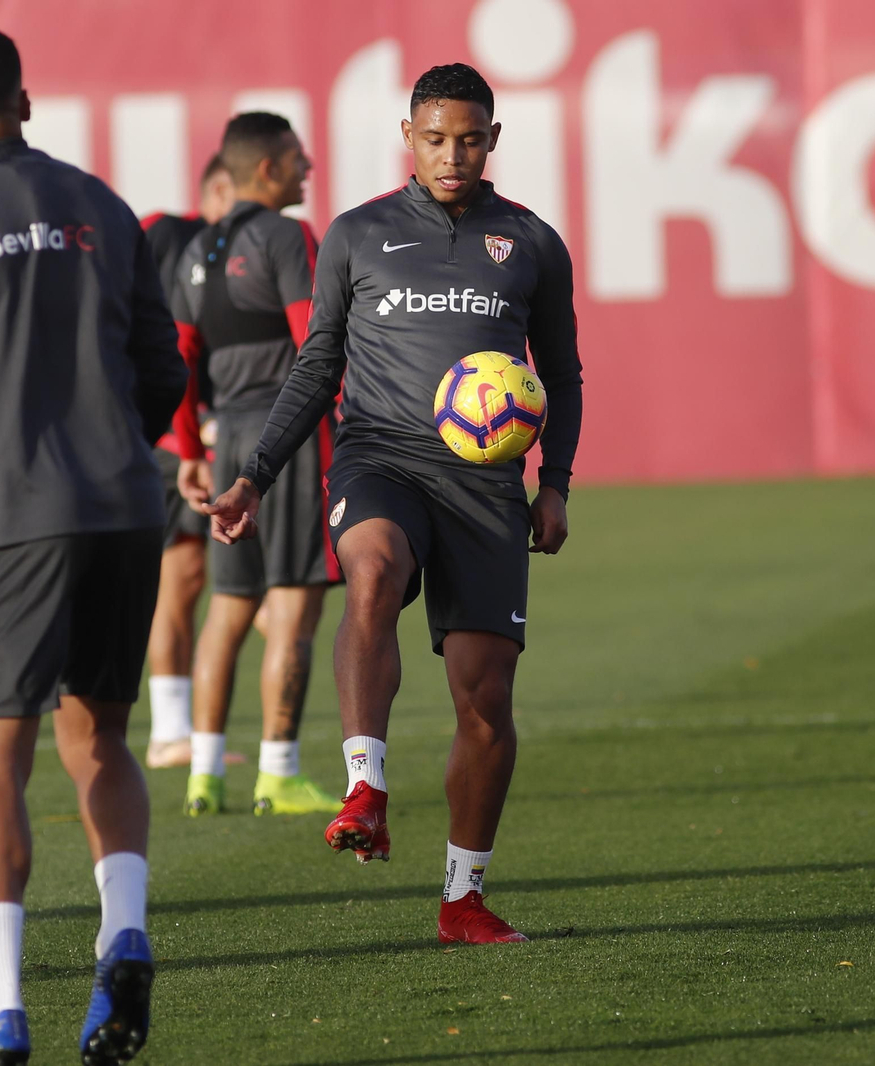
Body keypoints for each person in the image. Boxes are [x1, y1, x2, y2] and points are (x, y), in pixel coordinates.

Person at [205, 64, 583, 943]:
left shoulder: (530, 242)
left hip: (487, 485)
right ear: (408, 137)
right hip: (380, 457)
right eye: (436, 137)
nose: (453, 155)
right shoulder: (356, 234)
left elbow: (559, 371)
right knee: (371, 570)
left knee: (485, 700)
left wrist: (554, 481)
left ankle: (463, 898)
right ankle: (365, 784)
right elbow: (316, 365)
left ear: (493, 140)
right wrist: (256, 474)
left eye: (470, 138)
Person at [0, 25, 186, 1066]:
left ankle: (0, 1015)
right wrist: (110, 444)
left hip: (3, 518)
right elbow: (161, 366)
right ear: (25, 100)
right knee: (100, 735)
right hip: (124, 505)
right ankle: (124, 931)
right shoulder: (100, 203)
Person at [170, 113, 342, 818]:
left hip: (225, 439)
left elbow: (179, 362)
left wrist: (189, 451)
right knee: (295, 609)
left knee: (228, 612)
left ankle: (203, 776)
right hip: (289, 439)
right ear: (268, 169)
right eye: (298, 159)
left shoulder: (194, 252)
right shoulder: (287, 236)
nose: (308, 169)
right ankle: (278, 772)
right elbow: (315, 343)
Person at [140, 155, 237, 770]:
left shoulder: (249, 252)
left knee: (204, 578)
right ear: (221, 188)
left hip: (214, 436)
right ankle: (171, 730)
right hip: (172, 441)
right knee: (184, 580)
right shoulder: (166, 234)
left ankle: (178, 731)